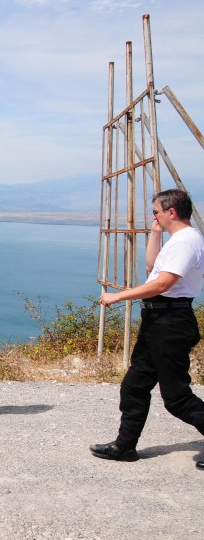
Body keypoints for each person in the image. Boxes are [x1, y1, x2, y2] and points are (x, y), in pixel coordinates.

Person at [93, 188, 204, 469]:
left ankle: (124, 446)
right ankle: (124, 447)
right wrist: (155, 233)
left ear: (171, 211)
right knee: (135, 385)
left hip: (171, 323)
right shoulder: (177, 240)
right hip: (158, 321)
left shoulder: (186, 241)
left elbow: (162, 284)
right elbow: (153, 267)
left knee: (176, 398)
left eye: (156, 212)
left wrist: (120, 296)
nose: (153, 216)